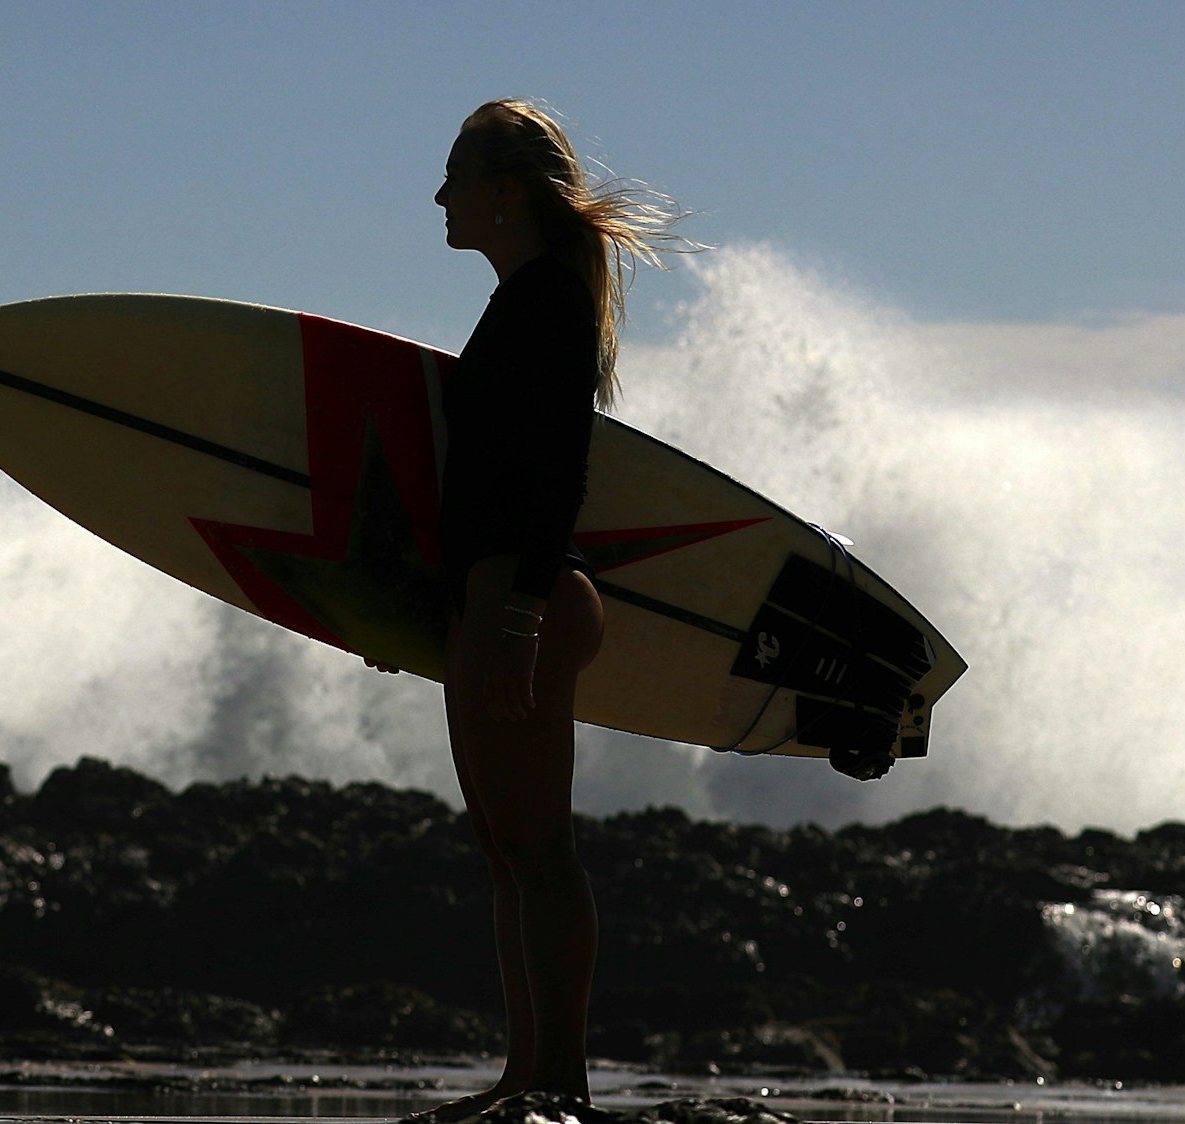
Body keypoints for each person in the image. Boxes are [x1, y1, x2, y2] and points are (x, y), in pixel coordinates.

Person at [375, 98, 688, 1120]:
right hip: (499, 593)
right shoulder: (529, 297)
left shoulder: (544, 299)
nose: (438, 197)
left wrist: (507, 617)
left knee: (538, 847)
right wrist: (426, 609)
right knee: (509, 849)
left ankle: (559, 1082)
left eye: (453, 175)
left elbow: (550, 471)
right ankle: (528, 1076)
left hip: (527, 598)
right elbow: (482, 481)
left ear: (502, 192)